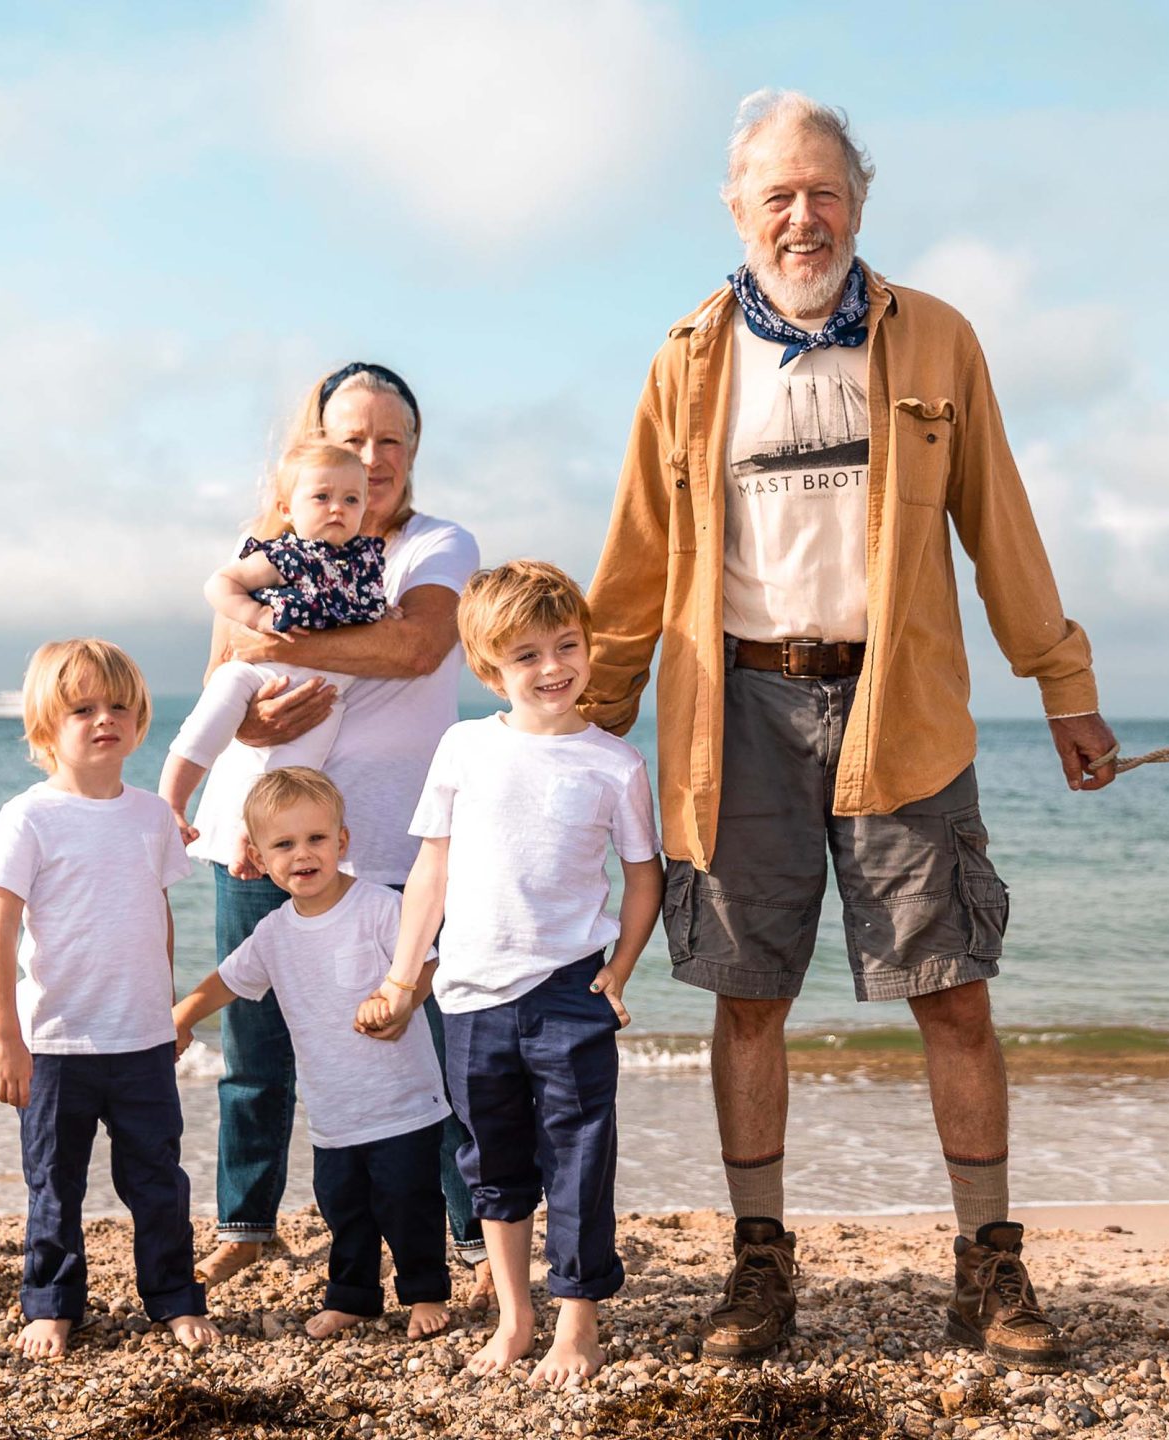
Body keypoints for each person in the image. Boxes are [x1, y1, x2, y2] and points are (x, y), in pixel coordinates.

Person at [580, 91, 1120, 1373]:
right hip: (735, 712)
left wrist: (1063, 681)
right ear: (737, 209)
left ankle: (988, 1261)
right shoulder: (688, 359)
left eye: (824, 191)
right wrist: (591, 726)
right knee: (747, 999)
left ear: (860, 202)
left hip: (902, 705)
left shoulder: (935, 341)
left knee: (953, 996)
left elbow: (1001, 524)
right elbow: (636, 560)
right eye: (777, 194)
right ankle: (760, 1263)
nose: (802, 216)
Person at [196, 363, 490, 1300]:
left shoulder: (435, 543)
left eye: (392, 439)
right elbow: (221, 677)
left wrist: (273, 644)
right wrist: (249, 722)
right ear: (311, 450)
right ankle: (248, 1224)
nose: (373, 458)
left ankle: (476, 1241)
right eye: (352, 438)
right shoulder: (268, 547)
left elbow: (415, 644)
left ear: (413, 452)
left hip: (399, 844)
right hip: (264, 831)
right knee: (255, 1047)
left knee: (429, 1044)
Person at [356, 561, 664, 1387]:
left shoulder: (614, 764)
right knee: (491, 1164)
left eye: (567, 645)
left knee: (579, 1157)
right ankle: (515, 1315)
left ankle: (577, 1322)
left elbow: (644, 876)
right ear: (490, 669)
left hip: (570, 989)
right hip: (468, 993)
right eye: (526, 655)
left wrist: (622, 969)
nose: (552, 667)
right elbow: (432, 869)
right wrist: (402, 973)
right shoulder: (463, 746)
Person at [0, 638, 217, 1359]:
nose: (103, 719)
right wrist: (4, 1037)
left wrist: (169, 1009)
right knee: (54, 1184)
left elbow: (158, 914)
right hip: (56, 1042)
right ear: (46, 727)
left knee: (158, 1182)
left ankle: (173, 1297)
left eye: (119, 706)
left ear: (140, 721)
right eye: (82, 708)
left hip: (140, 1040)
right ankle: (52, 1303)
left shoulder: (149, 816)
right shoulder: (30, 817)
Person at [170, 767, 452, 1342]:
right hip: (333, 1113)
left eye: (316, 839)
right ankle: (352, 1298)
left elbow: (428, 960)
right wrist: (180, 1016)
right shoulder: (274, 932)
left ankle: (425, 1292)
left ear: (342, 842)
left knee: (408, 1202)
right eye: (284, 844)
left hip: (404, 1101)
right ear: (257, 856)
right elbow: (227, 981)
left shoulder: (377, 907)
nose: (303, 854)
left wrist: (401, 1001)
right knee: (343, 1207)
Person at [159, 438, 387, 871]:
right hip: (261, 675)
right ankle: (171, 801)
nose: (337, 508)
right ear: (287, 509)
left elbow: (376, 616)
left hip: (324, 696)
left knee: (288, 779)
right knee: (215, 709)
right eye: (322, 497)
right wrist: (256, 615)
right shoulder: (288, 556)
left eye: (351, 499)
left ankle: (250, 838)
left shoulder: (366, 565)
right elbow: (219, 585)